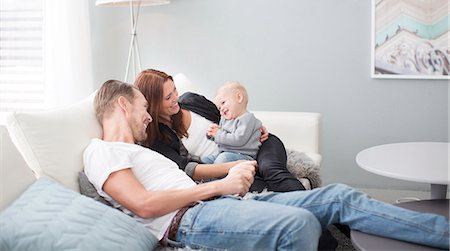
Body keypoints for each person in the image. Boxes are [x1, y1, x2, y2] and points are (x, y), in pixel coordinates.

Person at [83, 79, 449, 250]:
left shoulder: (143, 151)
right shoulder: (101, 151)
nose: (148, 117)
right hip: (194, 218)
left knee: (338, 197)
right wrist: (221, 184)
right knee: (300, 225)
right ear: (121, 106)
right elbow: (143, 205)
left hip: (225, 204)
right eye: (145, 108)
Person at [134, 69, 307, 192]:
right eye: (168, 97)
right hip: (226, 166)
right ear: (153, 103)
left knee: (273, 172)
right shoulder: (157, 139)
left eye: (175, 91)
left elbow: (232, 114)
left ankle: (323, 214)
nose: (176, 98)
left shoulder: (192, 101)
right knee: (263, 189)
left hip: (260, 144)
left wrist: (255, 127)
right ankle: (320, 231)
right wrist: (233, 166)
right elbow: (186, 169)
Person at [203, 81, 262, 165]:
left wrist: (218, 134)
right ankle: (207, 177)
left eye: (223, 103)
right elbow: (222, 138)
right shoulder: (225, 119)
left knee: (222, 159)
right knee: (205, 160)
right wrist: (212, 134)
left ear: (239, 98)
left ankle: (215, 177)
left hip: (244, 157)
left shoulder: (247, 118)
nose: (222, 109)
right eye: (219, 108)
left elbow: (239, 140)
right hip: (225, 154)